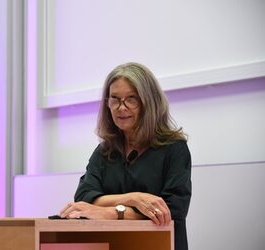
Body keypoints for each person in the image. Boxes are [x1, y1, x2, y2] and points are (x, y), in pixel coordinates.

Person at [59, 62, 192, 250]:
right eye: (114, 99)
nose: (121, 107)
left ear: (149, 102)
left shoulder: (174, 148)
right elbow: (85, 197)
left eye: (131, 99)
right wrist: (133, 199)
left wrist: (110, 212)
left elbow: (171, 211)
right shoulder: (105, 151)